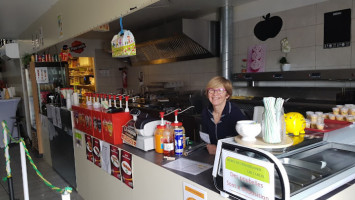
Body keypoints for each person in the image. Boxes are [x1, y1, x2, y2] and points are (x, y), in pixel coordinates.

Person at [201, 76, 247, 155]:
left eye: (220, 90)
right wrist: (207, 147)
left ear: (227, 95)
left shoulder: (235, 114)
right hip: (211, 158)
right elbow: (205, 139)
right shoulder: (206, 112)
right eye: (211, 90)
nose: (215, 94)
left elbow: (245, 147)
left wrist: (218, 150)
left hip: (232, 160)